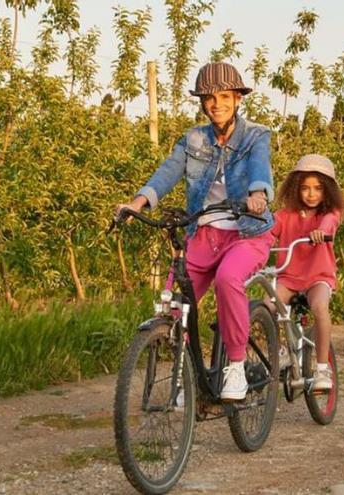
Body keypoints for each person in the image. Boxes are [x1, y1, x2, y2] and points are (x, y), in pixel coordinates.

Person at [115, 62, 275, 401]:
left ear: (237, 99)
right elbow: (168, 171)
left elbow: (260, 167)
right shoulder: (193, 139)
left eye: (224, 97)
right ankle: (184, 378)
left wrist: (258, 194)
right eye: (209, 98)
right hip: (205, 235)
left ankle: (235, 366)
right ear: (202, 102)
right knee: (174, 304)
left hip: (248, 231)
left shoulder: (256, 135)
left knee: (228, 279)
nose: (216, 104)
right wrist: (139, 202)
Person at [270, 154, 344, 391]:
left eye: (318, 188)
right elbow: (268, 230)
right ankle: (281, 351)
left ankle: (323, 368)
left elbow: (330, 225)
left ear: (328, 191)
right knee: (268, 305)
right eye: (305, 188)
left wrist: (320, 233)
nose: (311, 194)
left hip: (318, 277)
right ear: (295, 189)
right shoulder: (285, 215)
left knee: (320, 308)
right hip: (288, 276)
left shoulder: (328, 215)